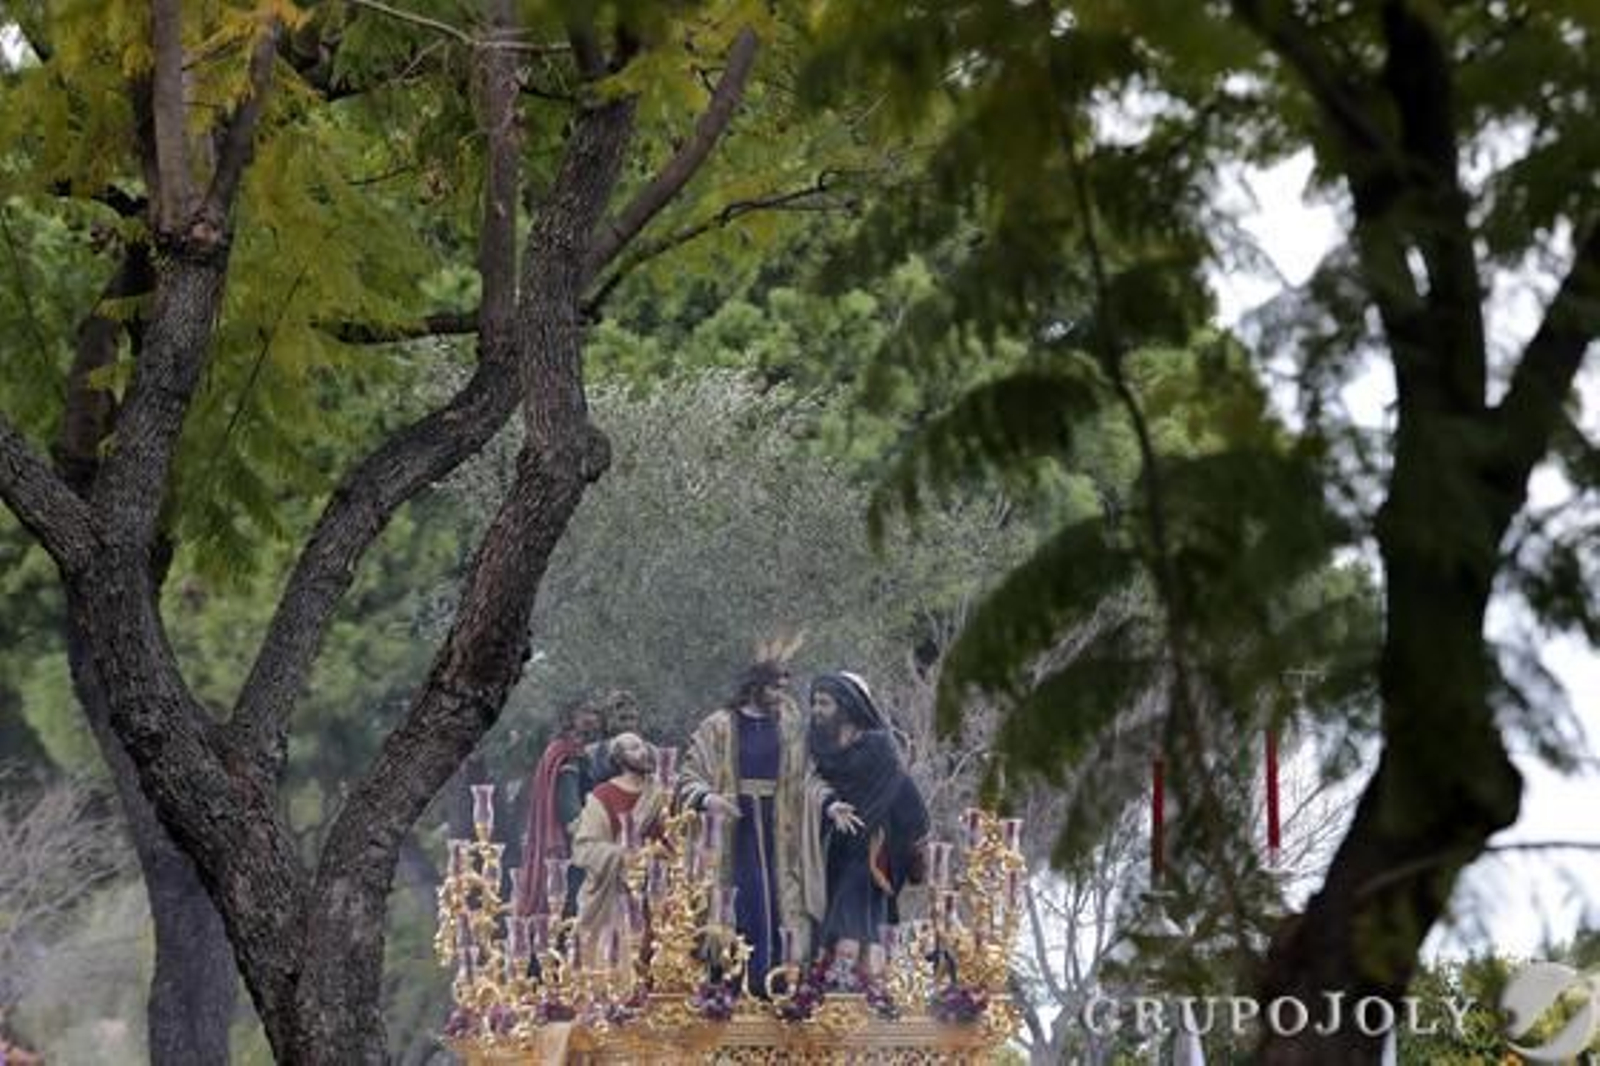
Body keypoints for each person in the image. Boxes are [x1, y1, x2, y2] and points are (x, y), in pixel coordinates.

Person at [678, 659, 844, 993]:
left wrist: (829, 803)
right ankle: (730, 986)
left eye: (784, 688)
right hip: (731, 833)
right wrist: (711, 800)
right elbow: (688, 776)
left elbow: (807, 779)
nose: (780, 695)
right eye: (773, 687)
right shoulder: (719, 726)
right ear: (754, 685)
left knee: (781, 904)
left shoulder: (790, 726)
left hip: (780, 833)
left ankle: (780, 985)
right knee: (737, 901)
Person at [808, 672, 930, 986]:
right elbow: (808, 787)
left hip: (873, 851)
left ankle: (857, 994)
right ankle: (842, 990)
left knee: (855, 924)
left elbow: (907, 799)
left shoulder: (877, 747)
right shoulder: (818, 747)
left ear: (846, 704)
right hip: (835, 850)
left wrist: (910, 845)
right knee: (839, 922)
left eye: (824, 703)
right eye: (814, 703)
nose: (816, 710)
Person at [570, 732, 669, 958]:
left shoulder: (661, 792)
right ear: (619, 758)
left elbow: (675, 836)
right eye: (633, 748)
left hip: (658, 889)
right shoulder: (603, 795)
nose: (642, 752)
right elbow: (585, 848)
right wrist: (624, 856)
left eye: (643, 746)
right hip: (614, 893)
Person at [515, 697, 604, 917]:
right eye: (585, 712)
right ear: (570, 718)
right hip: (569, 846)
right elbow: (568, 807)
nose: (591, 718)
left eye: (594, 713)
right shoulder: (566, 755)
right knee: (569, 907)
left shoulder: (574, 751)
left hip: (576, 841)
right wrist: (591, 837)